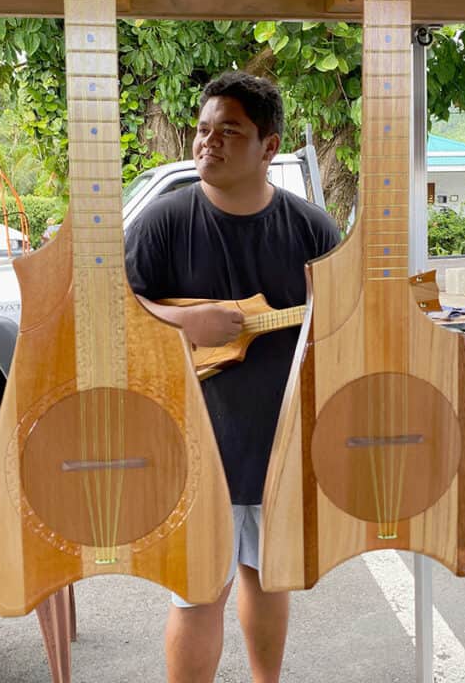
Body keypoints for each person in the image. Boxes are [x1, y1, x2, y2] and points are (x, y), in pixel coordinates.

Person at [124, 71, 340, 683]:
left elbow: (342, 331)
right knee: (197, 593)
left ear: (269, 147)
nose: (208, 143)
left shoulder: (312, 230)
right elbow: (115, 306)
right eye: (203, 129)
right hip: (193, 445)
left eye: (229, 131)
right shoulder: (163, 222)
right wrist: (181, 321)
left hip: (282, 443)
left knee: (269, 579)